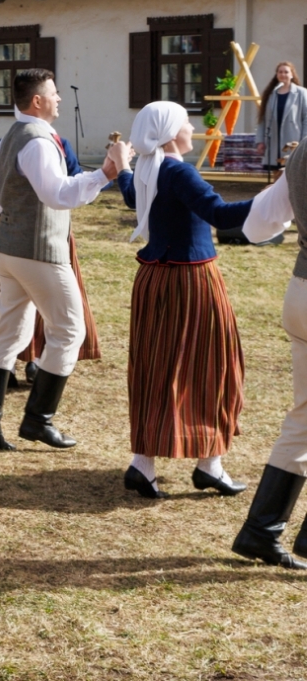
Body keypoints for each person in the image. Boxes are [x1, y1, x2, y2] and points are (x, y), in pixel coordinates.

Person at [0, 69, 128, 451]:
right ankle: (38, 419)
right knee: (71, 329)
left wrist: (7, 211)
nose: (58, 99)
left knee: (13, 331)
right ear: (37, 100)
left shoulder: (14, 135)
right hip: (37, 252)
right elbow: (57, 194)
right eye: (53, 94)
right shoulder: (36, 140)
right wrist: (105, 173)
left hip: (9, 249)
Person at [115, 101, 251, 499]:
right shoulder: (177, 170)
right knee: (212, 364)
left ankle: (144, 462)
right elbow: (221, 215)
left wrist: (122, 164)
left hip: (154, 278)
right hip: (191, 280)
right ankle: (209, 464)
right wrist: (279, 196)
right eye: (185, 123)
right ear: (171, 133)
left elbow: (128, 194)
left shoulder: (148, 168)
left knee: (156, 366)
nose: (192, 127)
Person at [0, 133, 106, 390]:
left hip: (25, 237)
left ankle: (26, 365)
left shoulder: (17, 141)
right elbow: (75, 185)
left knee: (23, 308)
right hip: (41, 240)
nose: (57, 100)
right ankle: (28, 369)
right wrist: (111, 173)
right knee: (38, 310)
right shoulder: (42, 142)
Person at [232, 134, 307, 568]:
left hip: (300, 291)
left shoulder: (302, 153)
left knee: (304, 416)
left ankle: (261, 531)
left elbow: (257, 225)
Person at [261, 61, 307, 170]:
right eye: (280, 72)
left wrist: (304, 141)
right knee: (275, 173)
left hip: (293, 140)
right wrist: (260, 141)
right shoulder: (271, 94)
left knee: (291, 171)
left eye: (286, 72)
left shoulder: (301, 93)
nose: (283, 74)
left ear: (292, 74)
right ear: (277, 75)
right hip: (274, 141)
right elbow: (263, 119)